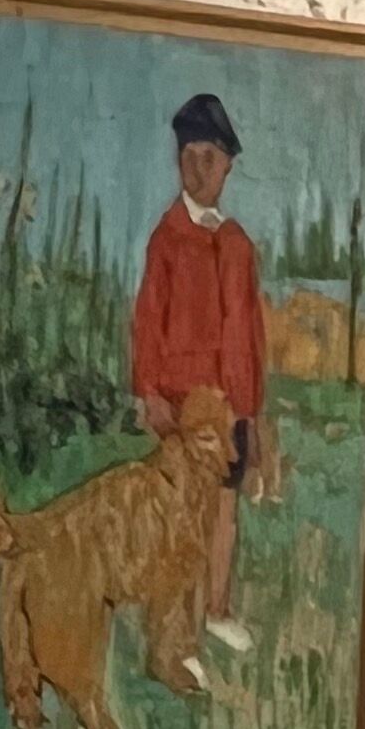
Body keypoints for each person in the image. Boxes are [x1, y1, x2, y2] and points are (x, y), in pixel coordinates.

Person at [129, 88, 275, 654]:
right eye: (187, 156)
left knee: (223, 508)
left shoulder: (237, 246)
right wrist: (149, 391)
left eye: (208, 158)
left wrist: (253, 413)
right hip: (182, 405)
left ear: (228, 165)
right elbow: (146, 319)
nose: (197, 169)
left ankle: (216, 608)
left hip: (231, 403)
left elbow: (252, 335)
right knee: (179, 513)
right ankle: (175, 626)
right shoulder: (167, 239)